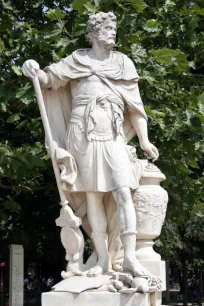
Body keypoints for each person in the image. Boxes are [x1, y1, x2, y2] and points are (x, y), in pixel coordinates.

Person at [22, 12, 159, 277]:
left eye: (114, 28)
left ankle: (129, 257)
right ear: (94, 32)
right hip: (81, 133)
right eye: (108, 28)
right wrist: (32, 68)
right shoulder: (77, 60)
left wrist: (144, 140)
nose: (113, 33)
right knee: (92, 196)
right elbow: (48, 80)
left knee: (123, 191)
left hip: (113, 132)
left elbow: (135, 107)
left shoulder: (123, 64)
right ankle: (102, 260)